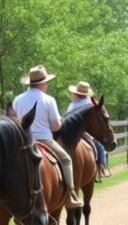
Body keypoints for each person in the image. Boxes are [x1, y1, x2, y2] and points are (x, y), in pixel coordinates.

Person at [13, 65, 82, 209]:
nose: (47, 85)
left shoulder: (17, 100)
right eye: (46, 82)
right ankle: (70, 194)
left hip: (22, 142)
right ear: (42, 83)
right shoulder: (49, 100)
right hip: (44, 140)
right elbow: (56, 126)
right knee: (66, 159)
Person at [66, 81, 110, 179]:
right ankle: (102, 166)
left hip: (70, 132)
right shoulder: (91, 103)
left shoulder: (72, 104)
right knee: (99, 145)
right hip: (85, 132)